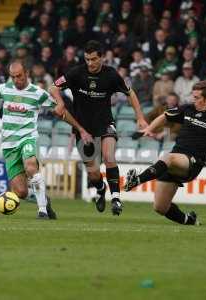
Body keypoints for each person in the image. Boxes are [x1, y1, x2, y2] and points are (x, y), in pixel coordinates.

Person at [0, 60, 92, 219]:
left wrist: (80, 129)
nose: (16, 80)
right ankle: (44, 199)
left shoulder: (37, 93)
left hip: (27, 138)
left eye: (19, 76)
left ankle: (42, 211)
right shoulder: (3, 90)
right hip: (8, 144)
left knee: (31, 166)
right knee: (21, 192)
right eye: (13, 77)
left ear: (27, 74)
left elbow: (61, 112)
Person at [50, 40, 148, 215]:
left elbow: (130, 93)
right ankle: (101, 189)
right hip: (82, 127)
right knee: (94, 174)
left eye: (94, 59)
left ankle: (116, 198)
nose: (90, 63)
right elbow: (54, 86)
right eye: (87, 59)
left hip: (104, 123)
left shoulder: (111, 75)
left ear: (102, 58)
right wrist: (59, 102)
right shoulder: (76, 73)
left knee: (109, 157)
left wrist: (140, 117)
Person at [124, 81, 206, 225]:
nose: (194, 100)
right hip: (174, 159)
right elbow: (165, 116)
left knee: (168, 157)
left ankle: (137, 180)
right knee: (160, 207)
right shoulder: (188, 109)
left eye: (197, 97)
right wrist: (149, 129)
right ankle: (189, 220)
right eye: (193, 96)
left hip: (194, 161)